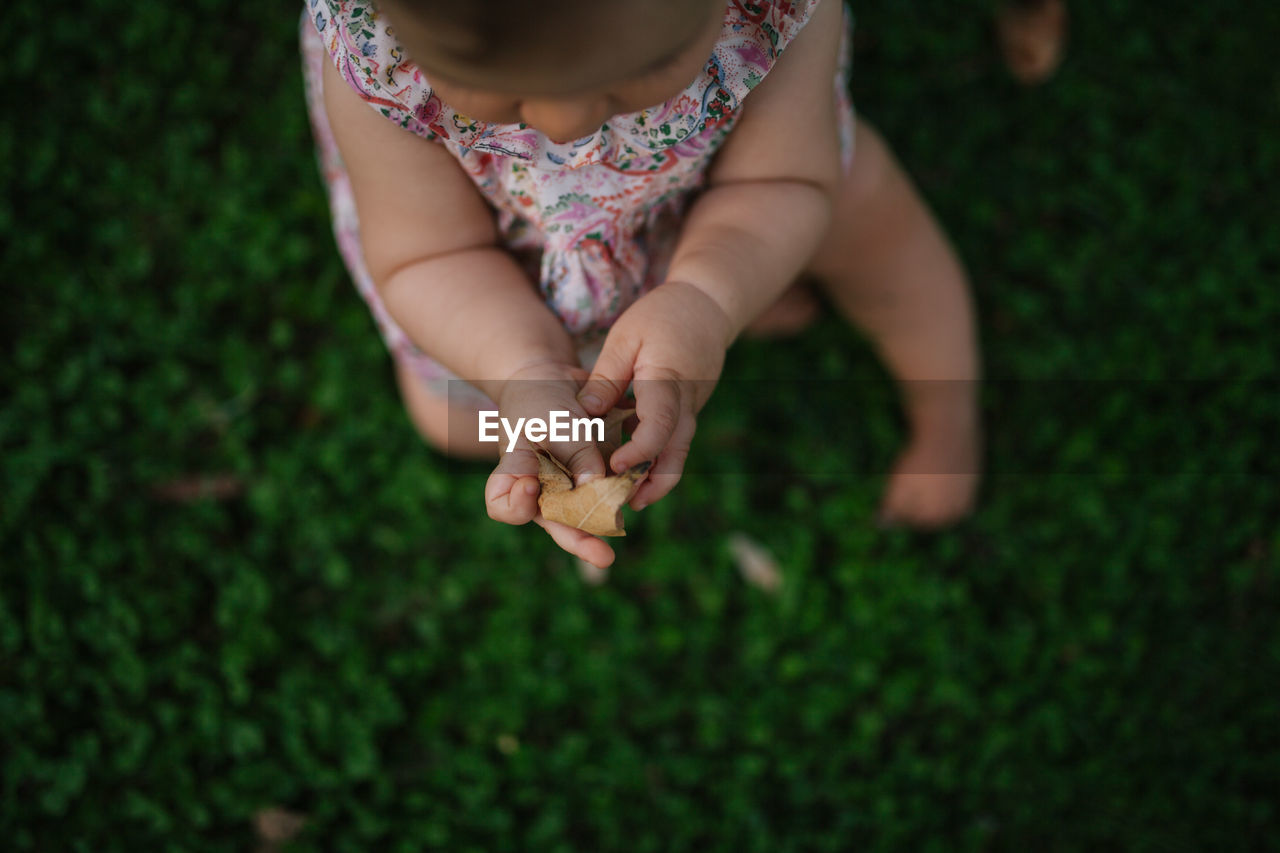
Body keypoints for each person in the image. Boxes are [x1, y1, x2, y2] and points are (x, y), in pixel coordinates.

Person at [299, 0, 981, 569]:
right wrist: (520, 370)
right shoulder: (377, 56)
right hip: (506, 252)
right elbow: (430, 255)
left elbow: (782, 181)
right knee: (451, 417)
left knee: (876, 232)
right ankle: (698, 325)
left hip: (745, 186)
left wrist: (709, 298)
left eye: (649, 67)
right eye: (495, 86)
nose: (569, 122)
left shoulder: (774, 8)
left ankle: (947, 419)